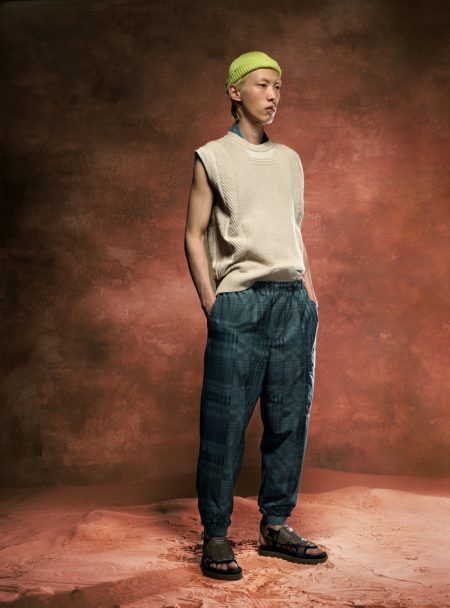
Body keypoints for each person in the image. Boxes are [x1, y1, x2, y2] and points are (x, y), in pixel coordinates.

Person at [184, 51, 328, 581]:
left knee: (289, 419)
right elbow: (193, 234)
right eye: (263, 84)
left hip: (292, 302)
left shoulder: (289, 160)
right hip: (239, 304)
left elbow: (293, 232)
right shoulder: (213, 157)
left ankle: (276, 525)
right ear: (235, 91)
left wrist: (310, 297)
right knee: (224, 424)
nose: (273, 95)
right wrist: (211, 301)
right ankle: (216, 534)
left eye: (278, 87)